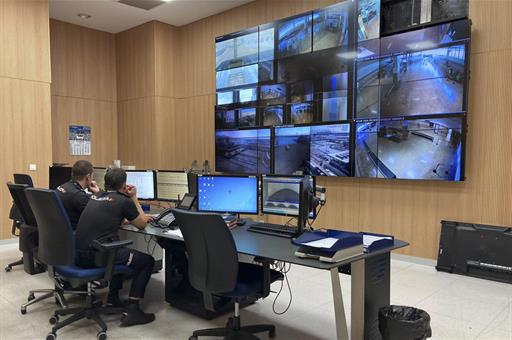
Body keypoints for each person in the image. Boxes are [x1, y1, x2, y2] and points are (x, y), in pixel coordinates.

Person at [75, 168, 155, 327]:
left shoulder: (95, 196)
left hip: (79, 254)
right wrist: (134, 198)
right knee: (147, 261)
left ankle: (112, 300)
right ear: (124, 184)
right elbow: (141, 224)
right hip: (97, 256)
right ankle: (133, 310)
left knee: (118, 251)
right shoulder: (124, 201)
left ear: (105, 182)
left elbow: (108, 216)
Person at [56, 160, 100, 230]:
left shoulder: (62, 187)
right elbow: (98, 216)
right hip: (75, 235)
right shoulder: (79, 196)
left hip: (61, 233)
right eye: (92, 176)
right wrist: (98, 193)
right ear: (88, 177)